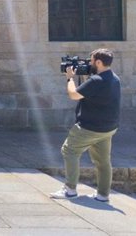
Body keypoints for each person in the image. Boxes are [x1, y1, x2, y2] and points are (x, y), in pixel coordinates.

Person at [50, 48, 121, 202]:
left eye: (91, 61)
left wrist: (70, 78)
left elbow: (74, 94)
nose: (89, 63)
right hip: (108, 128)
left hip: (89, 127)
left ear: (99, 62)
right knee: (103, 161)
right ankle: (103, 195)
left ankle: (70, 190)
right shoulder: (114, 78)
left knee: (69, 151)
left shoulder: (96, 80)